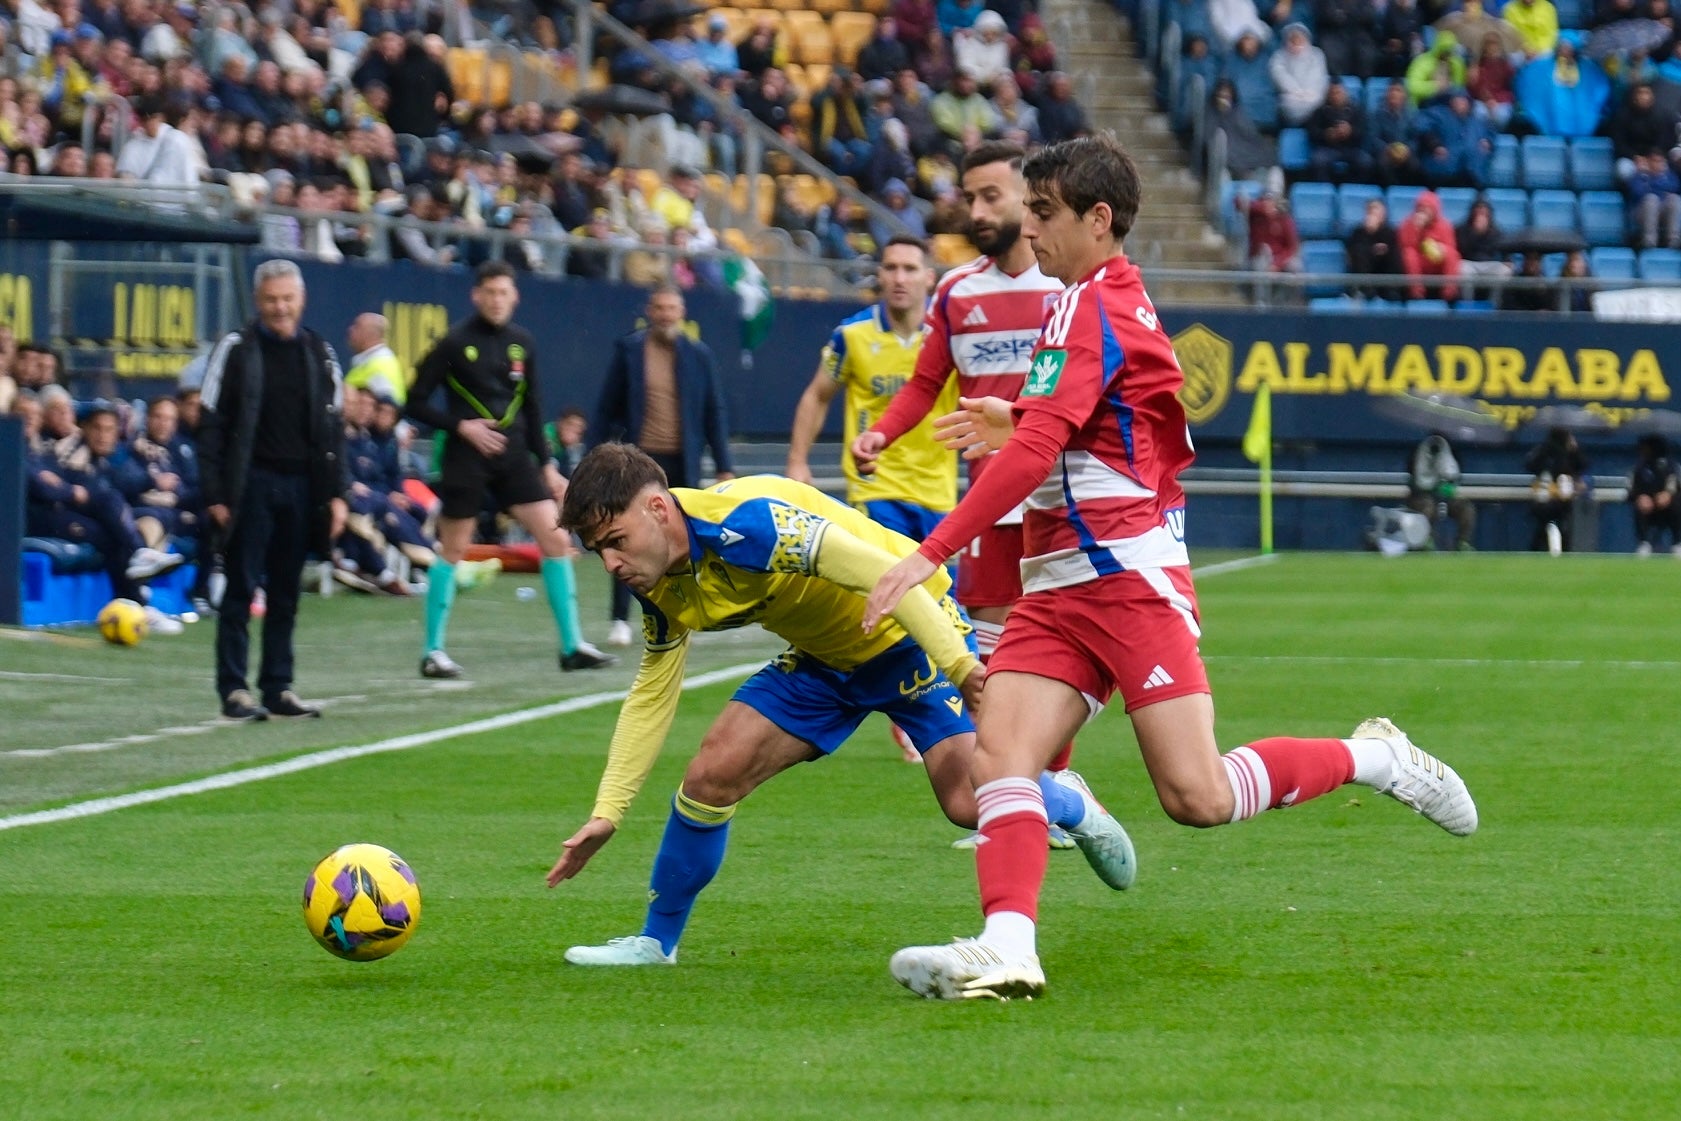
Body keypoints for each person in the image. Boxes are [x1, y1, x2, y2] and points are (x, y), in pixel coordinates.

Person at [865, 135, 1479, 1001]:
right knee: (998, 757)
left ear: (1097, 218)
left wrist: (928, 551)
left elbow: (1049, 443)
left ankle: (1373, 758)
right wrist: (1023, 421)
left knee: (1198, 795)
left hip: (1125, 578)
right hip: (1055, 583)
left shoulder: (1093, 307)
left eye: (1043, 214)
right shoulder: (1084, 298)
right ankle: (1008, 947)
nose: (1029, 230)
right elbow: (1093, 425)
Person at [546, 444, 1134, 967]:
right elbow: (652, 694)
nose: (612, 565)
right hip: (825, 658)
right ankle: (656, 943)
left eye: (615, 542)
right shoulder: (661, 586)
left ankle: (1068, 801)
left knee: (966, 800)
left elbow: (885, 575)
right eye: (599, 551)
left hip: (905, 631)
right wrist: (609, 812)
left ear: (656, 509)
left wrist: (961, 667)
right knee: (710, 775)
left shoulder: (754, 523)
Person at [851, 142, 1082, 851]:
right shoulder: (955, 292)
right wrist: (882, 434)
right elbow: (925, 383)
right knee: (988, 652)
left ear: (1028, 199)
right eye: (968, 198)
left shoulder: (1067, 292)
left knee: (1054, 644)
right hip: (987, 501)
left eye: (989, 197)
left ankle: (1054, 791)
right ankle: (1014, 796)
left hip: (1057, 500)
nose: (974, 211)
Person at [786, 235, 956, 763]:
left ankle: (924, 702)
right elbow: (817, 394)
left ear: (930, 277)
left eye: (910, 267)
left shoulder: (950, 337)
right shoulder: (852, 336)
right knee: (891, 596)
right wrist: (797, 462)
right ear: (878, 275)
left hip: (939, 490)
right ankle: (904, 715)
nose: (899, 276)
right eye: (890, 267)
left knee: (942, 602)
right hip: (875, 488)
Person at [404, 260, 615, 679]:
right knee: (454, 549)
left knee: (556, 541)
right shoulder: (453, 343)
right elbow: (414, 402)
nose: (497, 300)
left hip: (515, 458)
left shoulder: (524, 343)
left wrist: (549, 465)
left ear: (514, 297)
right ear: (476, 295)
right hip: (466, 459)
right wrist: (461, 426)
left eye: (504, 293)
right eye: (490, 293)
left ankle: (572, 645)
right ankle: (433, 651)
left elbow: (534, 407)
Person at [198, 259, 349, 721]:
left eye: (287, 299)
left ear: (300, 300)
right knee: (241, 590)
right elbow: (211, 425)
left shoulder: (320, 352)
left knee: (286, 593)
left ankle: (279, 686)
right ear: (258, 302)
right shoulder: (236, 349)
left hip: (302, 488)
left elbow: (334, 431)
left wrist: (337, 494)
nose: (280, 308)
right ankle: (234, 690)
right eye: (271, 300)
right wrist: (216, 494)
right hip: (251, 486)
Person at [593, 285, 737, 647]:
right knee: (624, 536)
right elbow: (606, 408)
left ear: (682, 311)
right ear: (649, 311)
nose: (667, 314)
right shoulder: (629, 351)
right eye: (660, 307)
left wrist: (724, 465)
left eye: (673, 307)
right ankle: (620, 619)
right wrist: (594, 458)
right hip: (639, 460)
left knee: (682, 539)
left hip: (682, 461)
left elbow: (713, 411)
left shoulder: (698, 355)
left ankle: (681, 613)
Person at [1406, 432, 1476, 550]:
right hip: (1421, 497)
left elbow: (1454, 479)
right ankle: (1425, 541)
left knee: (1466, 508)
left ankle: (1462, 543)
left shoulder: (1453, 453)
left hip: (1445, 499)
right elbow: (1415, 482)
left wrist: (1447, 488)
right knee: (1427, 506)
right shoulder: (1416, 453)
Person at [1525, 426, 1588, 553]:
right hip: (1556, 498)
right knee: (1560, 529)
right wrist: (1574, 450)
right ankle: (1557, 551)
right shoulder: (1561, 454)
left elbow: (1530, 465)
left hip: (1544, 498)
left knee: (1543, 530)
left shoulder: (1543, 450)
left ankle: (1539, 551)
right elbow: (1581, 466)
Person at [1628, 434, 1680, 556]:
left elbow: (1675, 484)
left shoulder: (1672, 467)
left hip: (1667, 508)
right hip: (1648, 509)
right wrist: (1640, 496)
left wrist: (1668, 494)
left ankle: (1677, 543)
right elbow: (1631, 490)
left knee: (1678, 503)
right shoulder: (1638, 468)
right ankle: (1644, 543)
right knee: (1639, 507)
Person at [345, 312, 407, 404]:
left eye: (357, 326)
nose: (350, 330)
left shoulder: (381, 366)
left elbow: (386, 411)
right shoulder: (369, 360)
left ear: (370, 334)